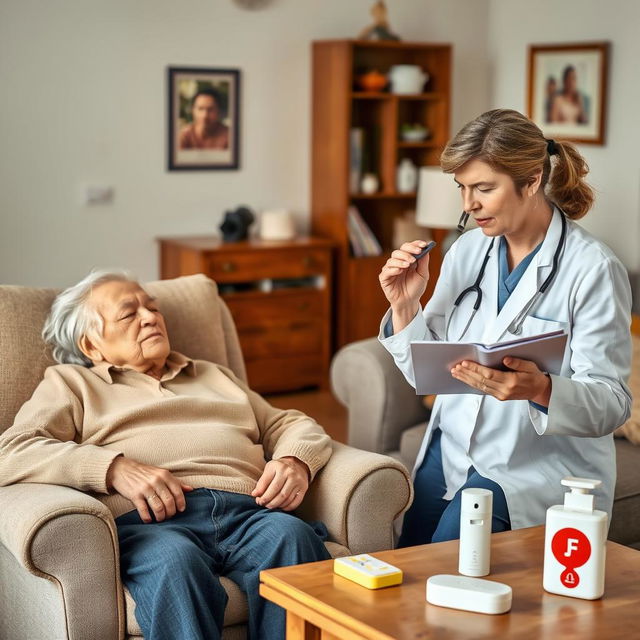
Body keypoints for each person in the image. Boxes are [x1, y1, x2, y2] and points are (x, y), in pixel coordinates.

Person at [0, 270, 332, 640]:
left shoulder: (212, 374)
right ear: (91, 346)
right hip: (153, 525)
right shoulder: (72, 384)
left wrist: (294, 460)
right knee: (176, 563)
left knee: (293, 537)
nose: (150, 317)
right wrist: (113, 469)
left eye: (153, 309)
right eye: (129, 314)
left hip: (249, 511)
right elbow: (14, 449)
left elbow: (289, 422)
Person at [378, 108, 631, 547]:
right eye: (462, 187)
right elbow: (426, 373)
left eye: (483, 188)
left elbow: (613, 404)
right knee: (405, 567)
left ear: (531, 181)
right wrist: (405, 306)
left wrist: (541, 389)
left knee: (447, 564)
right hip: (452, 446)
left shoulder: (593, 269)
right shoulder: (467, 252)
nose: (467, 204)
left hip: (532, 465)